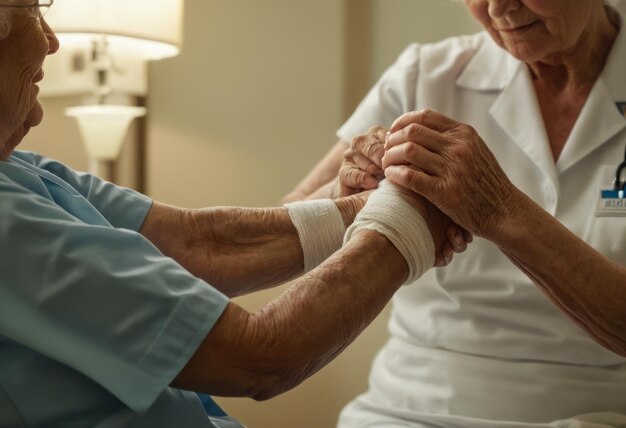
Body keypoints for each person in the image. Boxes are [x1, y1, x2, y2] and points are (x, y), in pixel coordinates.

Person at [0, 2, 470, 427]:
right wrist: (406, 214)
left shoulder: (19, 168)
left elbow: (197, 245)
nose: (51, 38)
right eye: (34, 6)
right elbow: (260, 357)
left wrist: (357, 204)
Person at [284, 0, 626, 427]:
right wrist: (344, 195)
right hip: (409, 409)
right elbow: (290, 227)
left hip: (594, 412)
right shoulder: (424, 75)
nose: (498, 7)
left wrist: (499, 208)